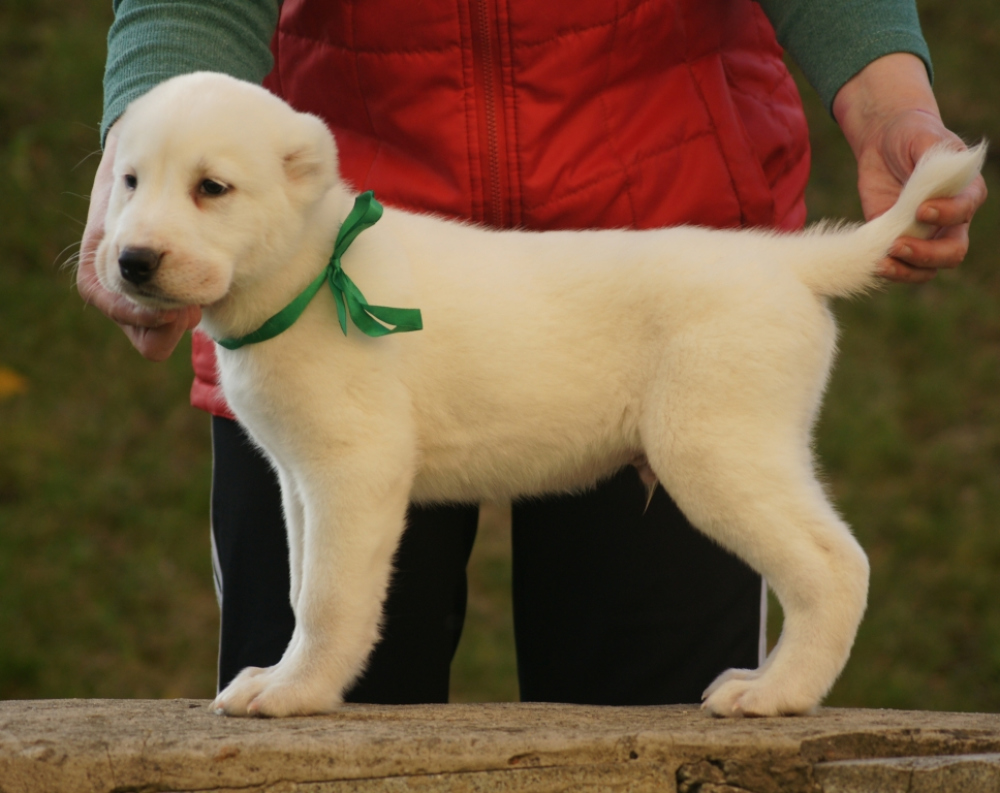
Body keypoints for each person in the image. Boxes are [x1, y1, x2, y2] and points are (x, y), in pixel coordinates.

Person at [79, 0, 986, 704]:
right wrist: (148, 138)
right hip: (357, 222)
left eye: (205, 187)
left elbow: (349, 466)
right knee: (300, 750)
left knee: (661, 728)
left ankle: (822, 610)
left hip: (675, 252)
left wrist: (889, 100)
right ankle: (315, 662)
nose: (144, 224)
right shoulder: (271, 278)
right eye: (135, 187)